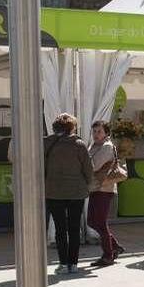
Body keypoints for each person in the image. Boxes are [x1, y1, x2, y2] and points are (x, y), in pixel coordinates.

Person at [45, 114, 93, 274]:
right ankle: (73, 264)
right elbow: (88, 169)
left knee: (60, 229)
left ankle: (63, 263)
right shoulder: (79, 145)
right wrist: (87, 183)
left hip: (53, 191)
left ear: (54, 128)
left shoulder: (46, 143)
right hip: (76, 192)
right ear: (72, 128)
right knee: (73, 228)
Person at [87, 120, 123, 267]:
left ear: (106, 133)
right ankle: (115, 246)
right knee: (91, 221)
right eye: (94, 131)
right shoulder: (94, 145)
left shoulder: (106, 147)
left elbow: (94, 166)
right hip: (95, 187)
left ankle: (108, 255)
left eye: (99, 131)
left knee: (100, 222)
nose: (96, 134)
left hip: (104, 188)